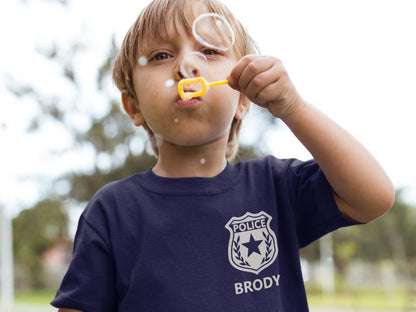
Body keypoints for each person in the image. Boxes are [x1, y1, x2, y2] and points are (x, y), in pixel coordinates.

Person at [51, 0, 395, 311]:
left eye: (210, 51)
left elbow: (373, 197)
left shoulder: (275, 189)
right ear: (134, 106)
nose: (187, 65)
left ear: (243, 98)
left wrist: (293, 108)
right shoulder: (112, 212)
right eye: (161, 56)